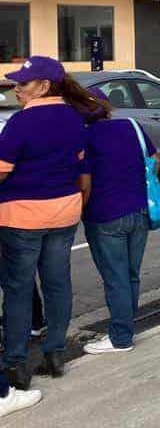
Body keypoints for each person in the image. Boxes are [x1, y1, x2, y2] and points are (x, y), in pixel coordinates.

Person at [0, 57, 94, 387]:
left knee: (18, 290)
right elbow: (81, 165)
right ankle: (55, 354)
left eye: (22, 84)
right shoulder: (73, 117)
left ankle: (15, 364)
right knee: (57, 283)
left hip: (22, 217)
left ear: (43, 86)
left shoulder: (21, 123)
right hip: (64, 213)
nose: (16, 90)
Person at [80, 88, 156, 354]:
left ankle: (121, 337)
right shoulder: (131, 127)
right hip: (139, 209)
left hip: (105, 215)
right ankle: (126, 326)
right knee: (131, 275)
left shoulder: (85, 137)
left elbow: (85, 184)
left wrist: (80, 210)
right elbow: (153, 159)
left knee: (116, 279)